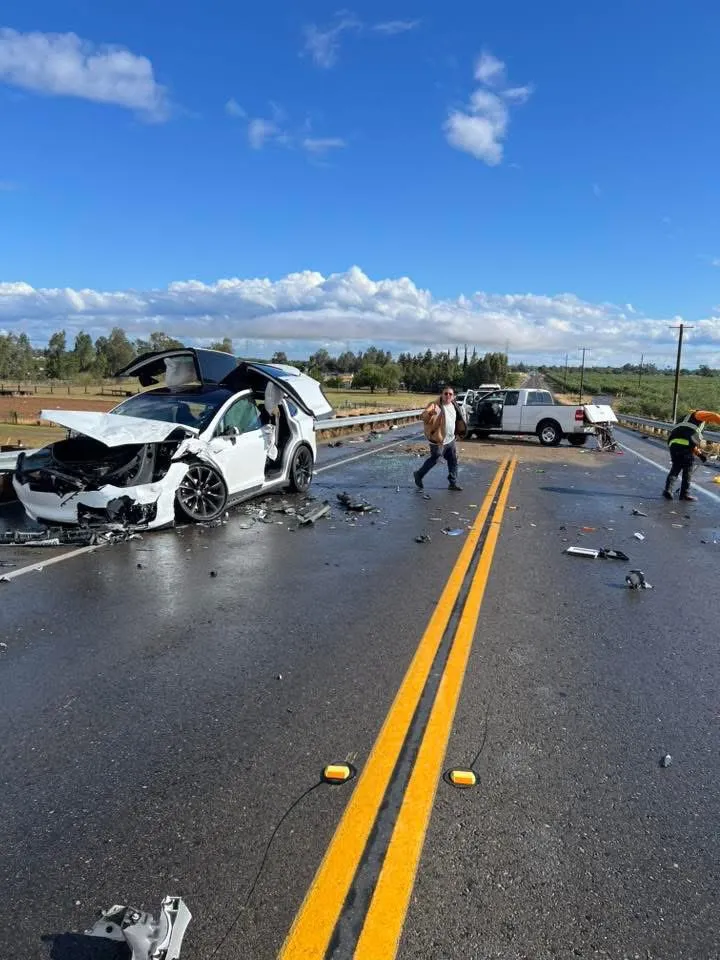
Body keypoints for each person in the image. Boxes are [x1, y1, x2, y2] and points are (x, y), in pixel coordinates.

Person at [413, 385, 466, 491]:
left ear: (453, 396)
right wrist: (429, 414)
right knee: (435, 458)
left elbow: (458, 420)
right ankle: (419, 474)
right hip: (438, 439)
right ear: (442, 394)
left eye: (450, 394)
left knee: (453, 460)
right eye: (445, 393)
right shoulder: (435, 405)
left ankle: (453, 483)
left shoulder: (454, 405)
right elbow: (423, 416)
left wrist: (459, 433)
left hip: (450, 439)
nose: (448, 395)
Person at [663, 411, 708, 501]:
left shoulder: (684, 420)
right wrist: (700, 455)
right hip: (685, 448)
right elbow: (691, 442)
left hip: (673, 446)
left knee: (675, 469)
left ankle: (668, 490)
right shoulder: (698, 420)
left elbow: (688, 441)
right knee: (687, 472)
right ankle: (684, 494)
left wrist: (699, 454)